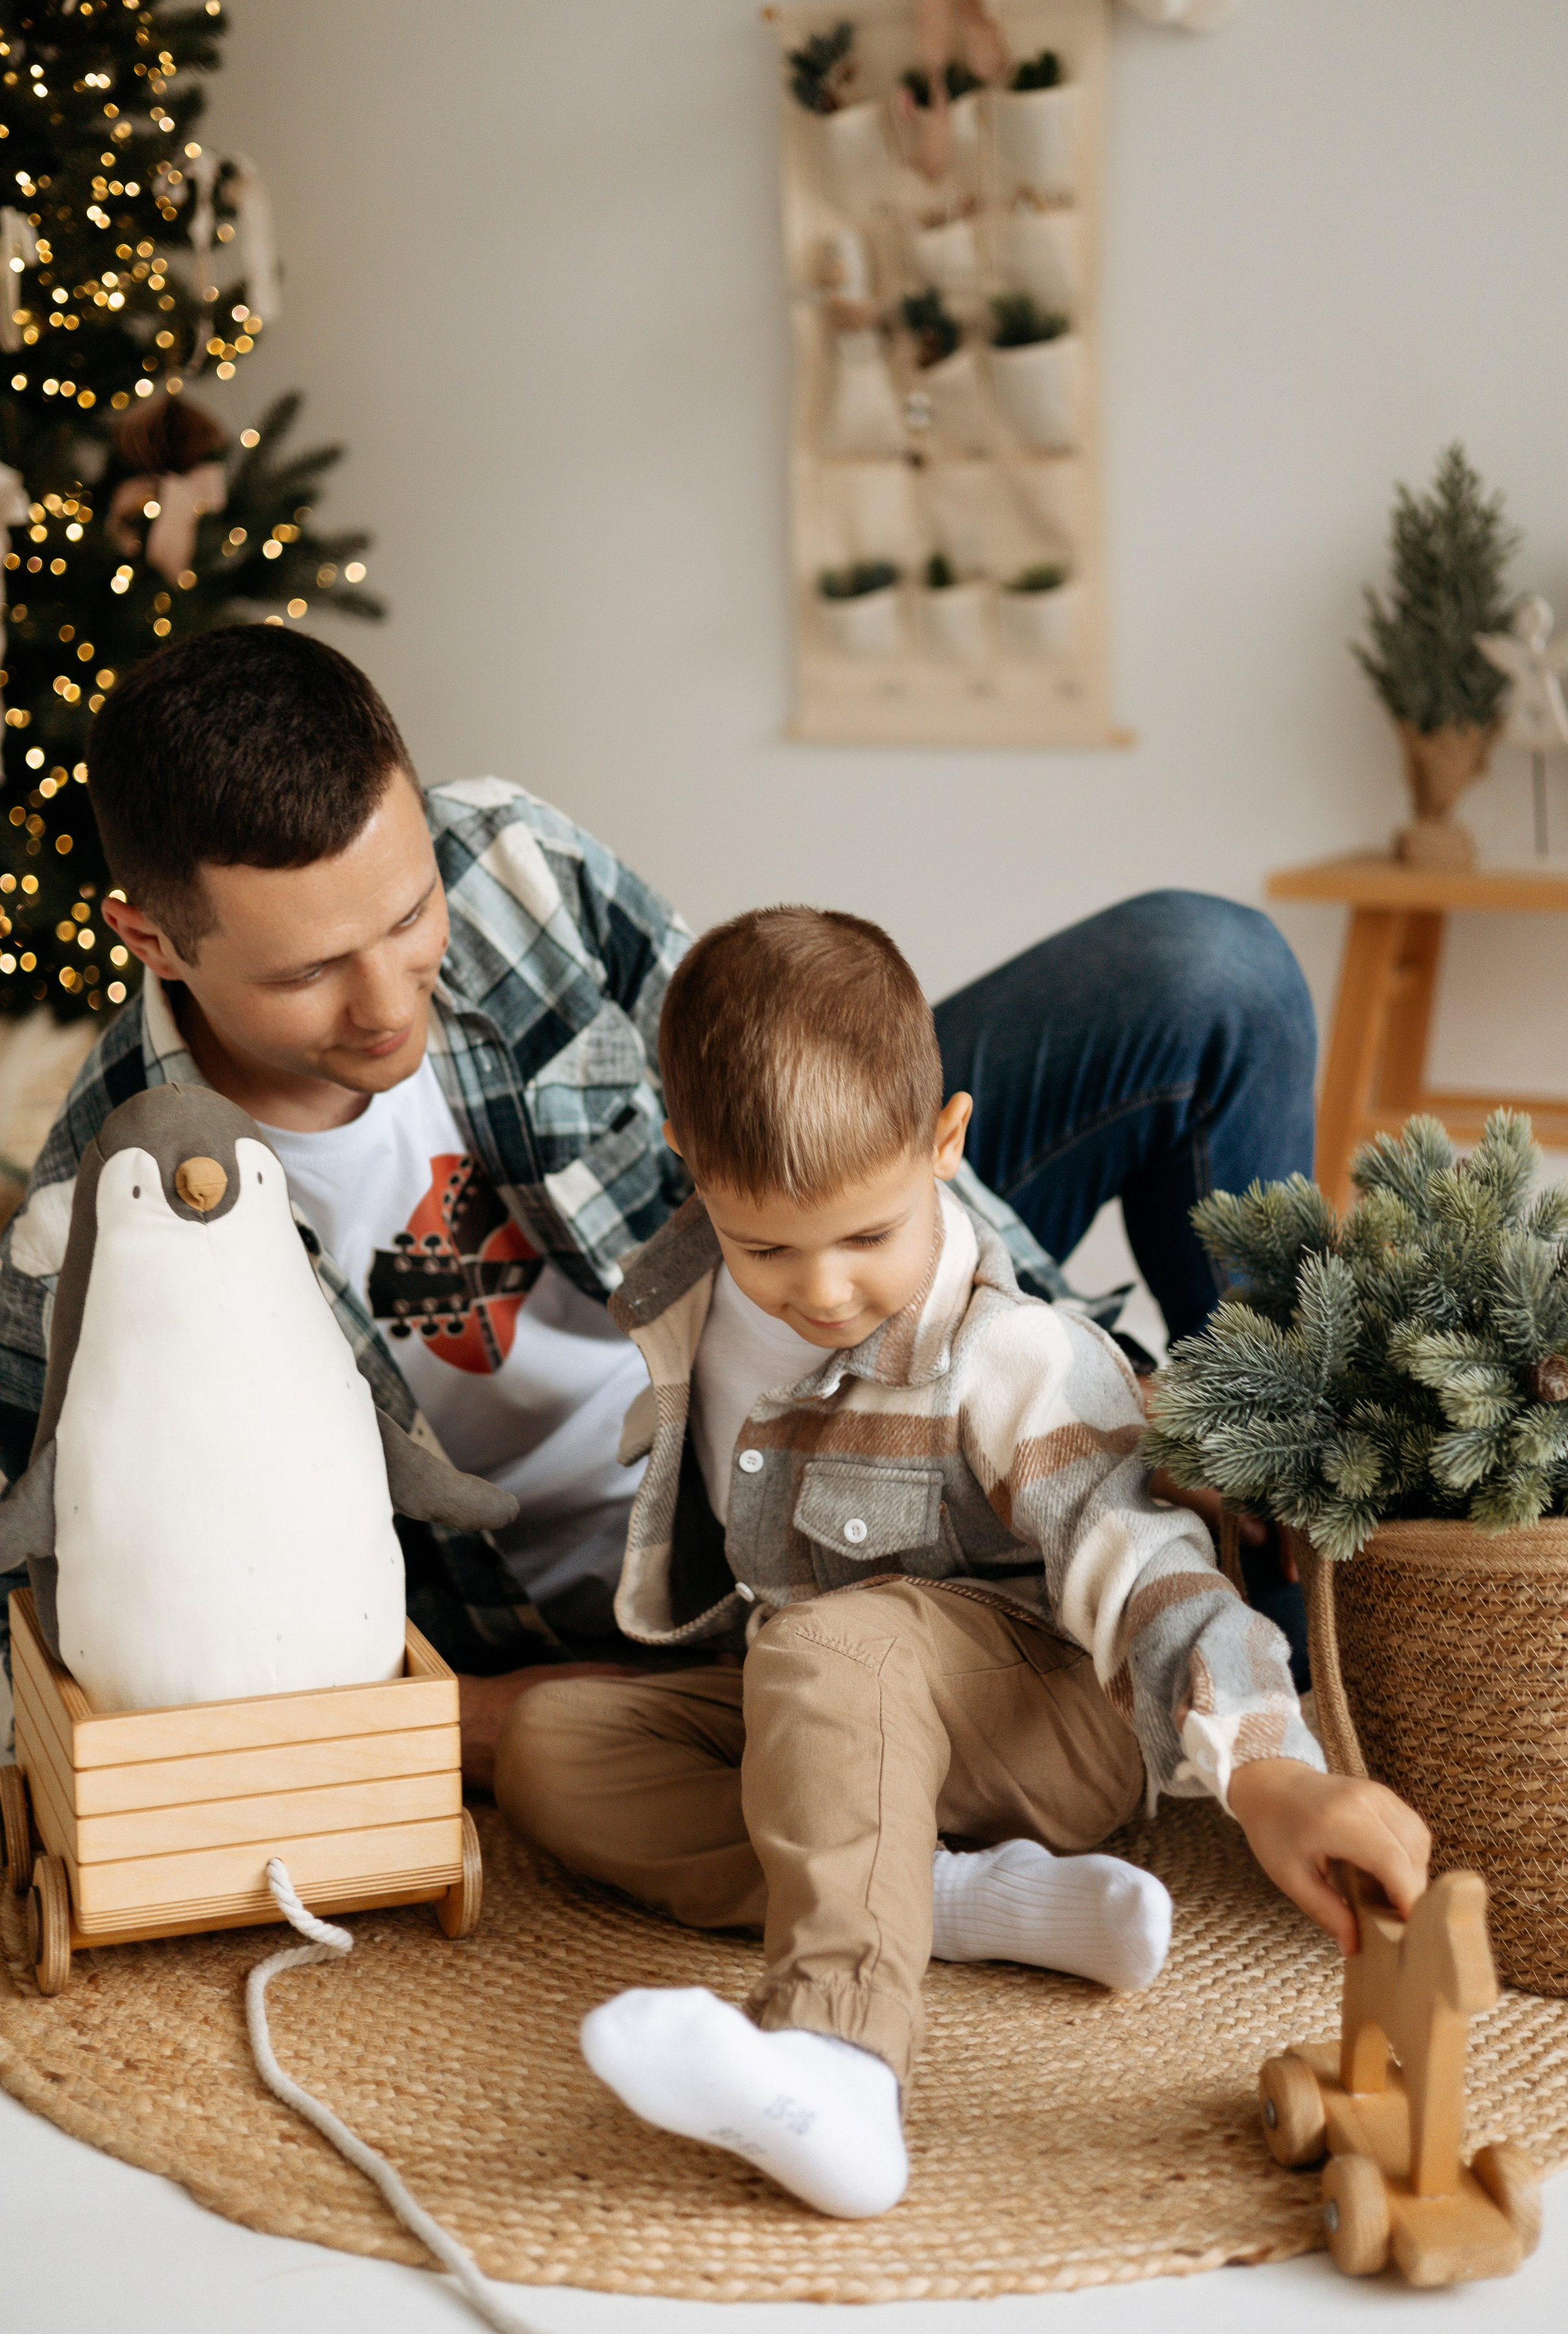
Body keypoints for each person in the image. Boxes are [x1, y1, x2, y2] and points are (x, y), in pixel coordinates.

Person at [0, 626, 1317, 1774]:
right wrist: (446, 1719)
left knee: (1206, 971)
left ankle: (1289, 1539)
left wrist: (1104, 1394)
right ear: (151, 942)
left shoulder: (512, 864)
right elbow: (51, 1598)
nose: (390, 1002)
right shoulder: (97, 1213)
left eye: (407, 918)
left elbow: (778, 1076)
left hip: (823, 1306)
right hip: (652, 1606)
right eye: (308, 977)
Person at [494, 908, 1431, 2222]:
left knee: (834, 1644)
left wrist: (1272, 1771)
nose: (820, 1290)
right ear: (687, 1168)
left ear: (945, 1145)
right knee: (555, 1748)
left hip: (1049, 1716)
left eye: (866, 1237)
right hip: (843, 1719)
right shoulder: (682, 1300)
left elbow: (1140, 1559)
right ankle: (950, 1894)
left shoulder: (1011, 1356)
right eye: (768, 1245)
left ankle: (835, 2062)